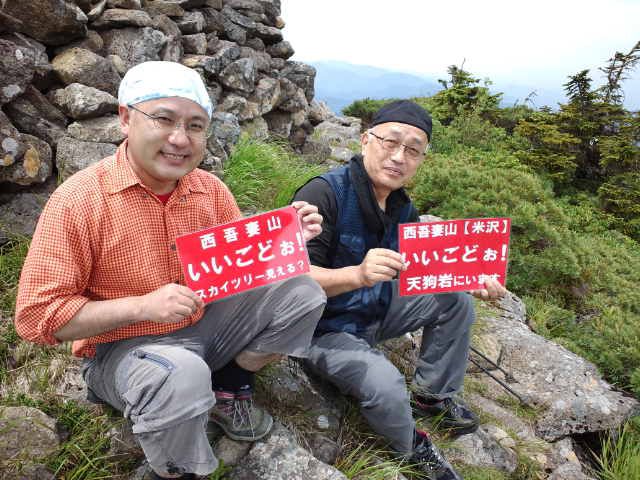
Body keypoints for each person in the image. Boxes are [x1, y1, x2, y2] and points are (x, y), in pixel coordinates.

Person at [15, 61, 327, 480]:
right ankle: (177, 469)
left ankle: (228, 386)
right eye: (164, 119)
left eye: (196, 126)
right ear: (126, 118)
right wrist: (142, 307)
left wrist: (285, 243)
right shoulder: (80, 201)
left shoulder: (209, 189)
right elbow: (36, 317)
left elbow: (234, 272)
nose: (180, 139)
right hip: (119, 351)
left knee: (302, 290)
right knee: (181, 375)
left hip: (201, 326)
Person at [293, 100, 507, 480]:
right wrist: (358, 274)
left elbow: (417, 272)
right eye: (390, 142)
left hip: (373, 311)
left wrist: (465, 279)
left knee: (453, 300)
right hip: (321, 329)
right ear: (364, 141)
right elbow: (293, 279)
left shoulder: (402, 208)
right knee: (387, 382)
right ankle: (411, 446)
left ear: (422, 158)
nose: (398, 157)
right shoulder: (323, 193)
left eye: (412, 150)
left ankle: (431, 395)